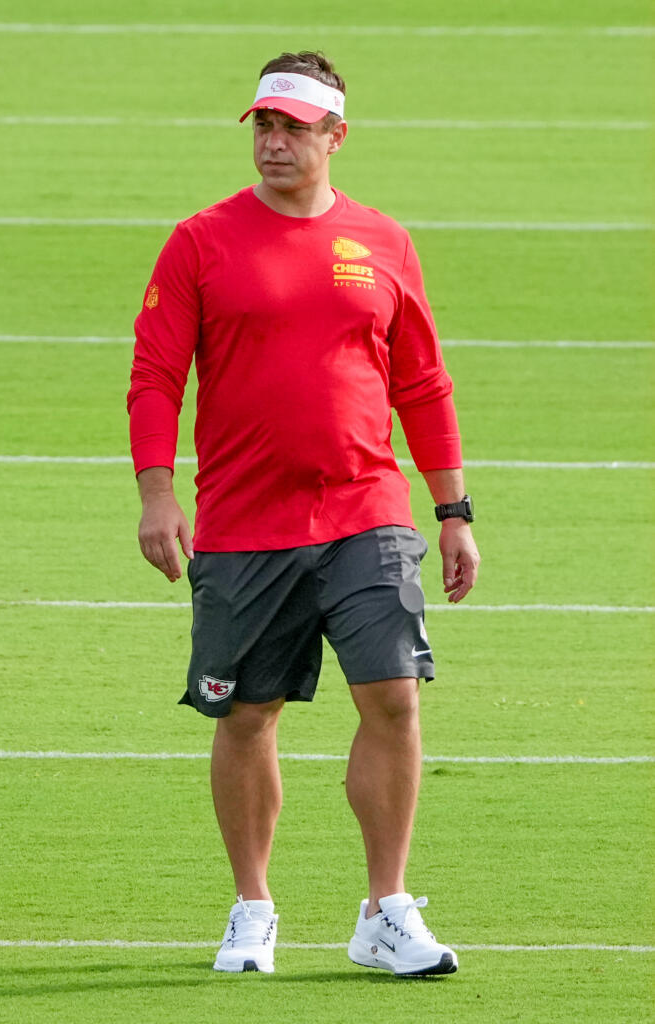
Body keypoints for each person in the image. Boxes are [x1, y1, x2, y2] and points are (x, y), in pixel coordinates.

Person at [128, 50, 480, 977]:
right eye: (264, 125)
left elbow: (422, 381)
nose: (274, 142)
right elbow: (156, 374)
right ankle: (252, 907)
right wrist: (157, 493)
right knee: (248, 716)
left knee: (393, 698)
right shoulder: (200, 241)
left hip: (367, 511)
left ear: (335, 135)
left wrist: (452, 509)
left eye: (293, 127)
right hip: (244, 523)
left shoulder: (384, 242)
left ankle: (385, 909)